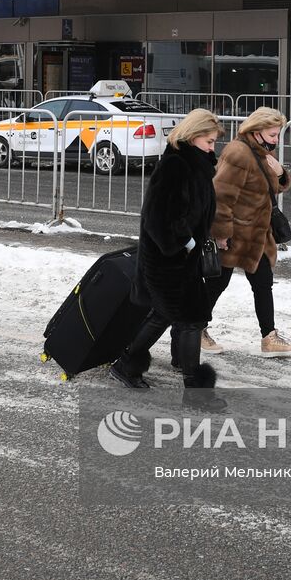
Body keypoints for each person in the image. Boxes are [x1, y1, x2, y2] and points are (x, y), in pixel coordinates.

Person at [110, 109, 225, 392]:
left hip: (182, 259)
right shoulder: (176, 165)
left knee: (164, 315)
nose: (213, 148)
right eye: (209, 142)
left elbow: (194, 211)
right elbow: (157, 217)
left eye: (213, 142)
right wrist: (186, 243)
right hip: (167, 260)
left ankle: (126, 364)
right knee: (192, 319)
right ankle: (195, 389)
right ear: (192, 136)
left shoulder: (195, 163)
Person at [207, 108, 291, 358]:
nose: (276, 140)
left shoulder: (261, 154)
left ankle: (269, 337)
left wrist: (280, 174)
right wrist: (221, 234)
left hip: (257, 234)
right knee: (218, 283)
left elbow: (266, 190)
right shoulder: (238, 153)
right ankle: (195, 328)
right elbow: (221, 197)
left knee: (262, 283)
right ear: (256, 131)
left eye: (278, 134)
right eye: (273, 135)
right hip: (235, 232)